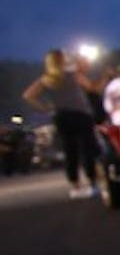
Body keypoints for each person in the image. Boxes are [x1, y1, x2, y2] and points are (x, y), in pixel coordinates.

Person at [22, 49, 101, 198]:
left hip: (62, 116)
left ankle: (75, 187)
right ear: (62, 60)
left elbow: (28, 96)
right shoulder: (73, 75)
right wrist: (102, 77)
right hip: (81, 115)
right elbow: (92, 88)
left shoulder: (46, 79)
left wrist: (46, 108)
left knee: (70, 152)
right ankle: (92, 184)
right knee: (87, 149)